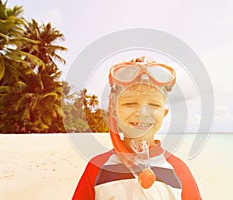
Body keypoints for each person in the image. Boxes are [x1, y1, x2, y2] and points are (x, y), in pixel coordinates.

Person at [72, 56, 202, 200]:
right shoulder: (97, 168)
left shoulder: (178, 170)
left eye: (153, 105)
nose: (142, 113)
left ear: (164, 113)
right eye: (130, 103)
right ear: (114, 112)